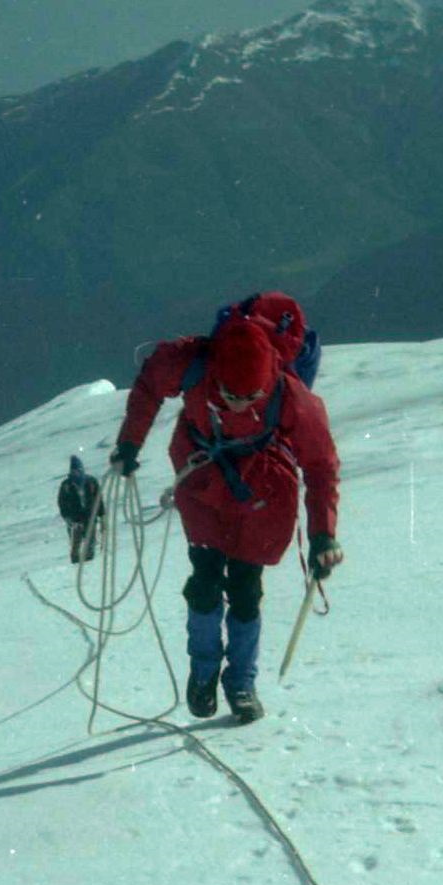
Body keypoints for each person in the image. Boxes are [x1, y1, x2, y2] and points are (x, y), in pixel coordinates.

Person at [109, 298, 343, 723]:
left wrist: (323, 534)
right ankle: (204, 673)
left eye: (250, 396)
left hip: (264, 489)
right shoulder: (193, 361)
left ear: (268, 381)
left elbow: (321, 467)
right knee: (204, 578)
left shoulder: (293, 398)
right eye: (229, 395)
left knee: (245, 588)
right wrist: (129, 443)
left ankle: (241, 683)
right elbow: (148, 387)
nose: (238, 404)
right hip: (202, 481)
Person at [57, 455, 105, 563]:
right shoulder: (67, 485)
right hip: (74, 518)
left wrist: (102, 514)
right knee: (76, 541)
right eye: (73, 471)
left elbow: (99, 500)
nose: (76, 474)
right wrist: (66, 517)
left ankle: (89, 559)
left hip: (90, 516)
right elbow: (62, 503)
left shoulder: (91, 482)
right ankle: (75, 560)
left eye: (78, 471)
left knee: (90, 539)